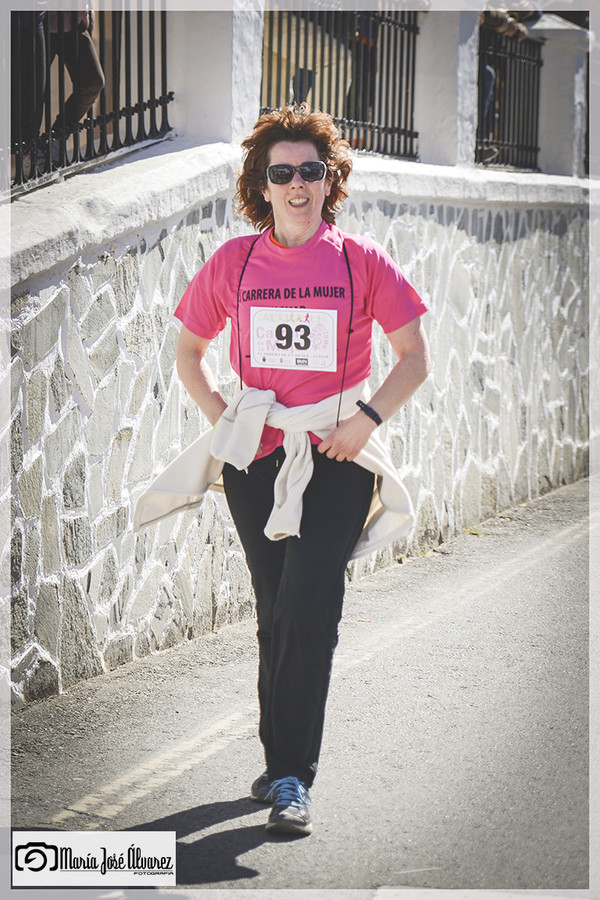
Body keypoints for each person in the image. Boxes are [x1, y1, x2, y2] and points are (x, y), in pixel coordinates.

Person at [139, 104, 431, 837]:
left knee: (309, 603)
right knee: (275, 613)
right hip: (256, 460)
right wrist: (224, 419)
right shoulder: (234, 263)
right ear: (261, 186)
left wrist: (364, 420)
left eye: (312, 171)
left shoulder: (361, 261)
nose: (298, 184)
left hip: (337, 458)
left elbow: (414, 357)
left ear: (330, 181)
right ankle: (282, 760)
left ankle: (294, 776)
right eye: (283, 173)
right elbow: (188, 352)